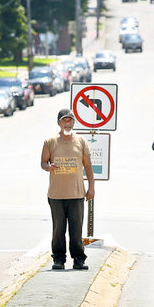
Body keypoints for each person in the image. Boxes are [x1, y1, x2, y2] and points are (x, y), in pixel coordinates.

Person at [41, 109, 95, 270]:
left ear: (73, 123)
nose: (67, 123)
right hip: (56, 195)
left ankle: (79, 259)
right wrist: (49, 167)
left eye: (70, 120)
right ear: (59, 123)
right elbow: (43, 163)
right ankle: (58, 259)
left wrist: (91, 187)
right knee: (58, 230)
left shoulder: (81, 142)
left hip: (77, 194)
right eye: (64, 121)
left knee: (76, 229)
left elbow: (88, 166)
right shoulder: (50, 142)